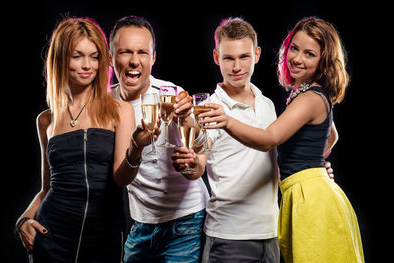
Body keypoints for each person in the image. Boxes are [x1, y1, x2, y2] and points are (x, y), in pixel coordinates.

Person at [200, 17, 364, 262]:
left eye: (310, 54)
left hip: (309, 200)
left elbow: (270, 139)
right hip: (298, 197)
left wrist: (227, 120)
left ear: (324, 61)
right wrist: (315, 166)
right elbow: (332, 134)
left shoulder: (309, 97)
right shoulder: (306, 94)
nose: (297, 58)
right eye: (294, 48)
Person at [15, 17, 155, 262]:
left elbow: (121, 179)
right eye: (77, 55)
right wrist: (23, 220)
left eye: (94, 56)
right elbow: (46, 189)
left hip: (104, 240)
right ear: (60, 59)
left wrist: (136, 148)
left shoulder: (119, 110)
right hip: (52, 239)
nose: (87, 65)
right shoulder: (46, 120)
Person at [172, 17, 280, 262]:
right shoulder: (210, 108)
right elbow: (198, 164)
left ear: (257, 54)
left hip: (271, 232)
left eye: (244, 57)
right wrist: (189, 164)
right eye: (229, 58)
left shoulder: (268, 105)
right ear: (216, 57)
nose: (236, 66)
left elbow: (273, 164)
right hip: (228, 237)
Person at [108, 15, 209, 262]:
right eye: (125, 52)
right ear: (111, 58)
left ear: (153, 58)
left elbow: (201, 147)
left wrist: (187, 121)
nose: (134, 61)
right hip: (140, 224)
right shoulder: (105, 103)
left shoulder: (170, 94)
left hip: (187, 220)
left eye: (142, 52)